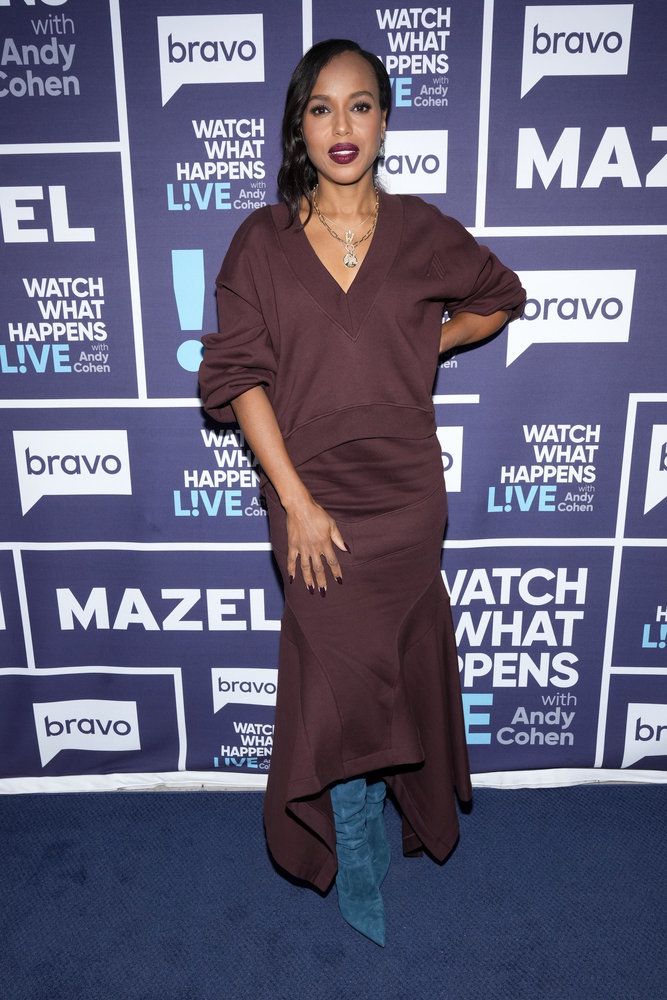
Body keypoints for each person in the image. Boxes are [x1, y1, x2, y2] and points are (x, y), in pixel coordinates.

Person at [198, 38, 526, 947]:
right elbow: (237, 379)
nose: (341, 125)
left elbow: (500, 294)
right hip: (311, 497)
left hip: (406, 495)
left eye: (360, 105)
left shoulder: (421, 231)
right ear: (299, 127)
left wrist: (428, 341)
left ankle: (377, 810)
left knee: (391, 671)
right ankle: (348, 840)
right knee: (339, 679)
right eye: (321, 108)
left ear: (383, 121)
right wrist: (296, 503)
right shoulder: (261, 242)